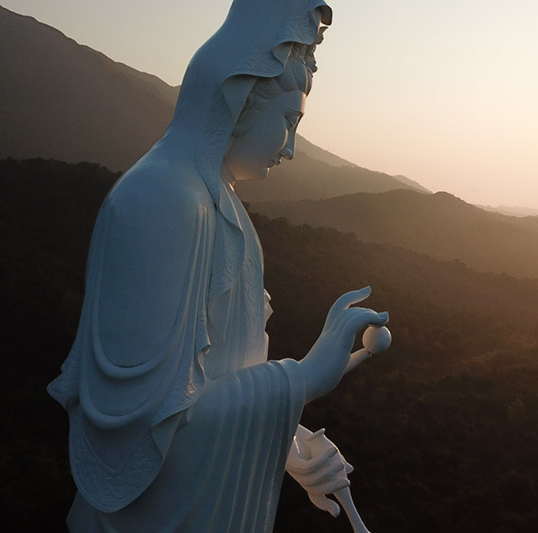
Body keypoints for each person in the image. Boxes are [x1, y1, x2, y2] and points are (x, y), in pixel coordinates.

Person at [47, 0, 387, 530]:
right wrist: (303, 380)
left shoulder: (219, 202)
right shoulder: (159, 199)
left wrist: (288, 444)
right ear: (243, 97)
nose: (292, 149)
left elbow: (219, 380)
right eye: (289, 122)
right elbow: (136, 445)